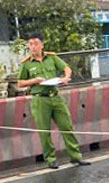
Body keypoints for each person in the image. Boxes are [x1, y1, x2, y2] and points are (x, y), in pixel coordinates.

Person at [17, 33, 91, 169]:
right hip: (40, 99)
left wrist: (65, 77)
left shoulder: (51, 57)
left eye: (36, 43)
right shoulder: (26, 63)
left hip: (55, 96)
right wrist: (34, 80)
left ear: (42, 45)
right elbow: (20, 83)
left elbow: (66, 68)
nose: (33, 47)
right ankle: (50, 158)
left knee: (66, 126)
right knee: (44, 130)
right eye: (30, 44)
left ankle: (75, 156)